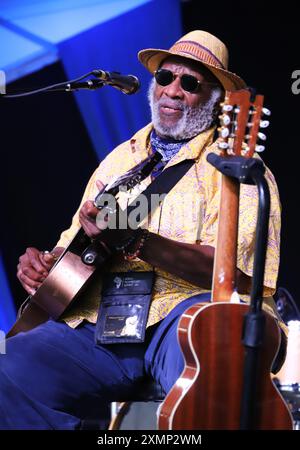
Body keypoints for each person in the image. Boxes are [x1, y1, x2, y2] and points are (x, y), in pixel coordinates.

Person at [0, 30, 283, 430]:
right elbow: (73, 249)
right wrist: (43, 269)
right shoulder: (120, 160)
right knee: (7, 366)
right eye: (165, 77)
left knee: (212, 363)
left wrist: (134, 239)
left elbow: (232, 273)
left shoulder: (237, 168)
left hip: (182, 317)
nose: (172, 90)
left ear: (216, 98)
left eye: (190, 83)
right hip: (102, 321)